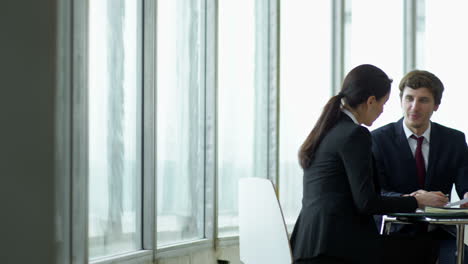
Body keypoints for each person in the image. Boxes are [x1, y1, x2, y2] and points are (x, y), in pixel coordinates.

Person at [289, 64, 448, 264]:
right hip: (338, 246)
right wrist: (417, 201)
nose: (382, 111)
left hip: (308, 244)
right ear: (371, 101)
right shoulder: (356, 134)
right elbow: (367, 202)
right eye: (383, 103)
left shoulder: (328, 129)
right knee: (426, 247)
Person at [371, 69, 468, 263]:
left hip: (440, 232)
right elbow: (377, 193)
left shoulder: (454, 140)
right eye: (409, 99)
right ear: (401, 101)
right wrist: (416, 199)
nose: (414, 107)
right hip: (396, 232)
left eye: (423, 100)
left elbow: (465, 183)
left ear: (436, 105)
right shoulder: (378, 139)